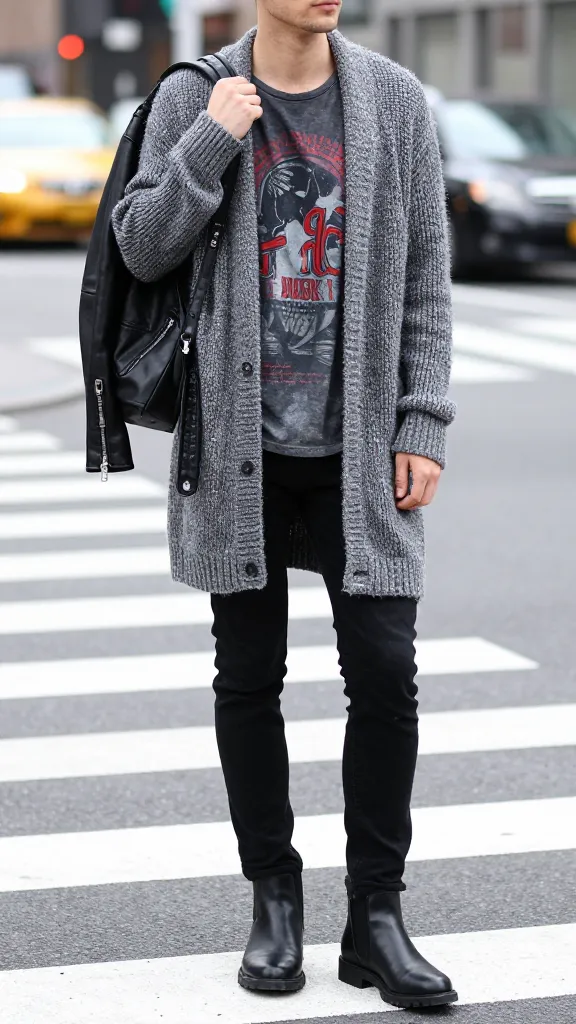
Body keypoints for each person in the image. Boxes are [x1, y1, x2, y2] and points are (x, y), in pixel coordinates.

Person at [111, 0, 457, 1010]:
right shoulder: (196, 96)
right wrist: (215, 136)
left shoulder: (392, 100)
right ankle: (274, 897)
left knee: (387, 674)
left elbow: (427, 277)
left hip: (357, 453)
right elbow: (140, 247)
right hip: (241, 449)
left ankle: (377, 917)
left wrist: (422, 419)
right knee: (248, 674)